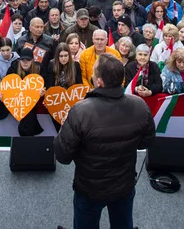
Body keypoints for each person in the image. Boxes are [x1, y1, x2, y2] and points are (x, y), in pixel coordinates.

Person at [54, 55, 155, 229]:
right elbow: (146, 142)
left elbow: (62, 155)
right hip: (124, 185)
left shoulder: (80, 111)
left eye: (93, 73)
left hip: (90, 189)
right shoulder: (140, 105)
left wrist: (65, 128)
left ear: (99, 82)